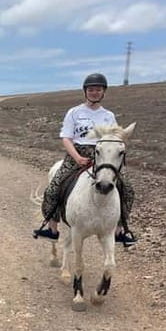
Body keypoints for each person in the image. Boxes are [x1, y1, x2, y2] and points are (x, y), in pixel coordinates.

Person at [34, 72, 137, 246]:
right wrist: (77, 157)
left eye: (98, 89)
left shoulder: (108, 115)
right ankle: (51, 228)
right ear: (85, 91)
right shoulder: (74, 112)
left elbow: (112, 140)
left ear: (103, 92)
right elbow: (66, 138)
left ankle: (120, 230)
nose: (94, 92)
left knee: (127, 189)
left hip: (102, 156)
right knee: (54, 187)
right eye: (91, 89)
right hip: (77, 153)